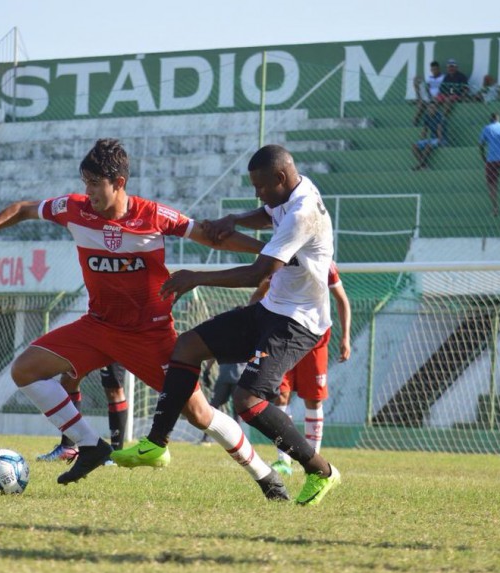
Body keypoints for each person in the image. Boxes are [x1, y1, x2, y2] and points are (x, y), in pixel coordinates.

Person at [0, 138, 289, 500]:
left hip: (150, 335)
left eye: (95, 184)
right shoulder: (73, 208)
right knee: (24, 370)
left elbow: (212, 239)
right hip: (97, 327)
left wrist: (270, 250)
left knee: (198, 413)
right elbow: (22, 208)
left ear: (119, 182)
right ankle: (90, 446)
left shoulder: (154, 216)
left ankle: (266, 477)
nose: (89, 192)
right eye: (86, 183)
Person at [112, 144, 342, 507]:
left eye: (261, 186)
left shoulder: (302, 213)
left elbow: (257, 273)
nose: (258, 193)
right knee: (187, 347)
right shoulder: (293, 188)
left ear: (280, 178)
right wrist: (235, 218)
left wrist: (197, 277)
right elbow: (268, 213)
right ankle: (156, 445)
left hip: (298, 322)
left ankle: (320, 469)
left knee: (248, 400)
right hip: (272, 309)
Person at [247, 261, 351, 476]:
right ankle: (283, 460)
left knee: (313, 399)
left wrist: (346, 337)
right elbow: (258, 295)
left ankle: (314, 460)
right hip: (282, 338)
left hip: (315, 339)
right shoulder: (279, 262)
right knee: (280, 396)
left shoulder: (324, 265)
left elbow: (342, 299)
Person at [36, 362, 128, 462]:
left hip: (112, 348)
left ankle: (116, 454)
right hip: (89, 346)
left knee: (114, 390)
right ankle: (67, 448)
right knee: (68, 380)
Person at [199, 359, 248, 445]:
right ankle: (206, 438)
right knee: (212, 407)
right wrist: (207, 370)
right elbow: (214, 353)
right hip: (224, 378)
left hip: (239, 378)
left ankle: (236, 440)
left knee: (237, 409)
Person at [411, 102, 444, 170]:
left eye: (433, 108)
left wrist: (439, 140)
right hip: (431, 139)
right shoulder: (427, 116)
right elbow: (424, 130)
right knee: (414, 146)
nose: (431, 109)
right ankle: (424, 165)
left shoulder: (439, 116)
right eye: (430, 108)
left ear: (436, 108)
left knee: (428, 146)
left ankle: (420, 165)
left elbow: (439, 129)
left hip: (440, 138)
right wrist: (421, 141)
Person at [412, 61, 445, 125]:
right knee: (417, 79)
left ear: (438, 69)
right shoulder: (429, 78)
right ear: (431, 70)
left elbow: (445, 89)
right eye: (432, 69)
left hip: (438, 96)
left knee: (424, 104)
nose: (434, 71)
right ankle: (418, 98)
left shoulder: (443, 77)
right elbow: (426, 88)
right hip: (429, 96)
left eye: (435, 69)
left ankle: (423, 120)